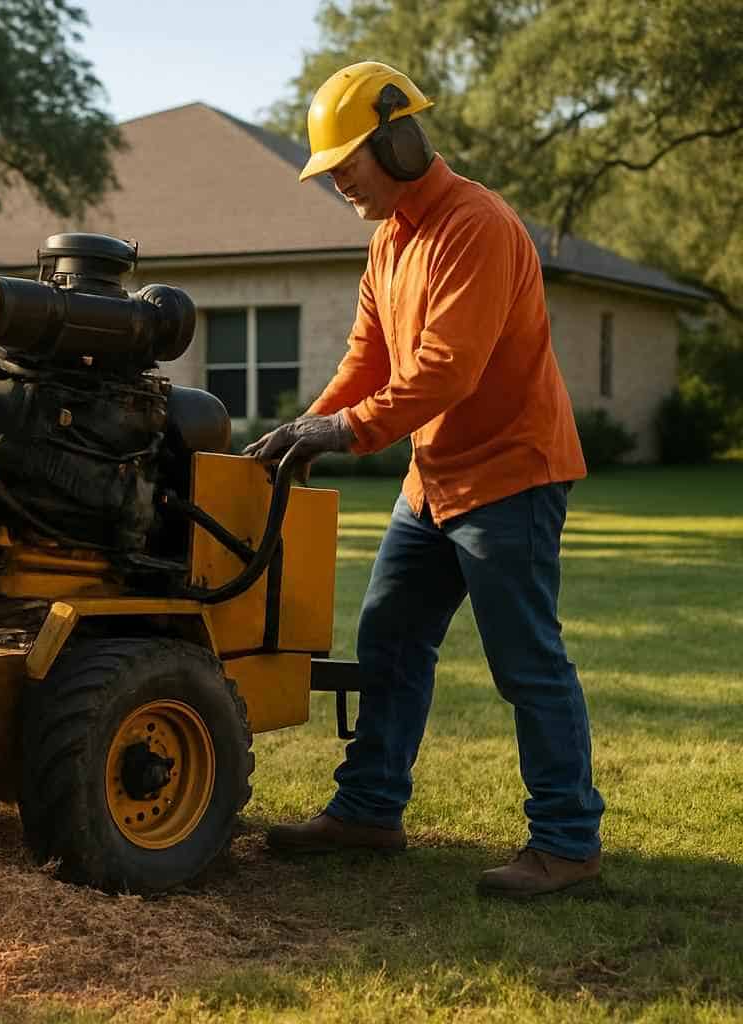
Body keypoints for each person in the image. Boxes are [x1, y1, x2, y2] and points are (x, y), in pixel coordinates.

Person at [243, 61, 604, 898]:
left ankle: (568, 842)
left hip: (511, 474)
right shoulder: (390, 238)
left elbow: (446, 369)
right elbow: (369, 360)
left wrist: (348, 431)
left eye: (346, 163)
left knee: (527, 662)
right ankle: (369, 810)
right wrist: (305, 426)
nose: (336, 181)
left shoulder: (474, 225)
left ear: (399, 144)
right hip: (433, 480)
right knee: (391, 641)